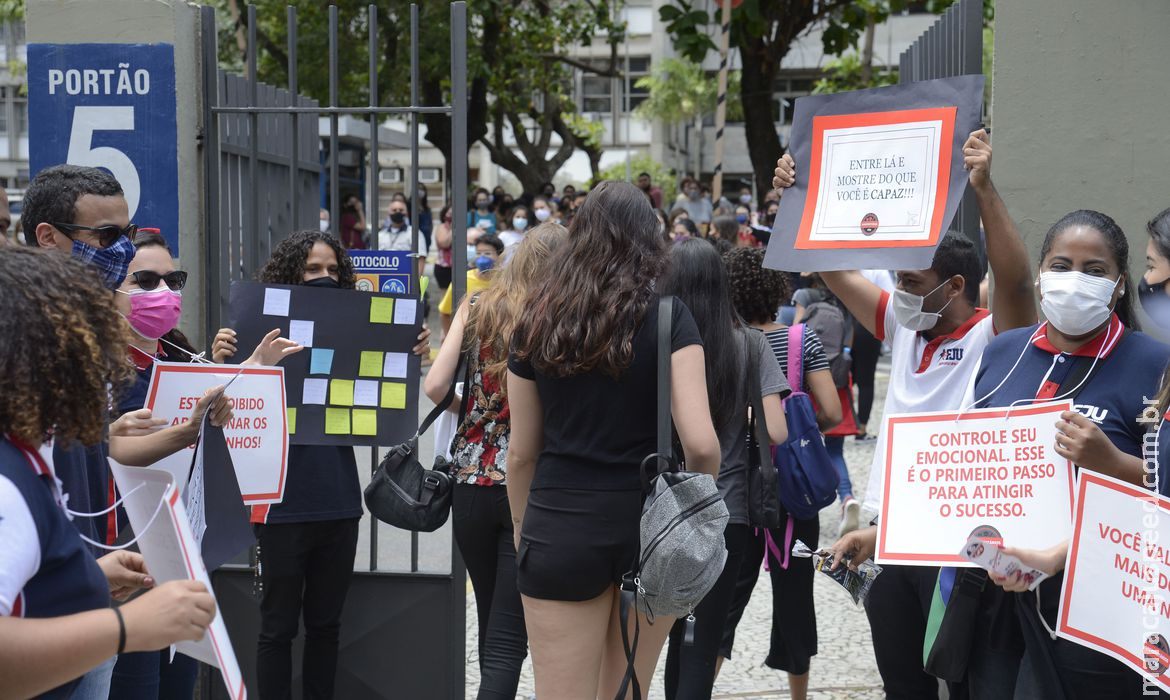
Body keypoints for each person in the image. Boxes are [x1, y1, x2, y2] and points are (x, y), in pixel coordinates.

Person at [775, 128, 1039, 699]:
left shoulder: (995, 336)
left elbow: (1017, 280)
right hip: (893, 540)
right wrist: (795, 197)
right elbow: (826, 265)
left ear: (957, 286)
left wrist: (984, 188)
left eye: (913, 283)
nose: (900, 293)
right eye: (897, 281)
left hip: (960, 543)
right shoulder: (904, 325)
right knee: (903, 683)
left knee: (960, 679)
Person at [506, 181, 721, 699]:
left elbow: (520, 453)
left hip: (559, 521)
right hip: (648, 530)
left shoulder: (536, 321)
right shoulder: (670, 318)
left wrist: (522, 530)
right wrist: (695, 519)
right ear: (651, 241)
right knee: (627, 690)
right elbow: (703, 445)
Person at [953, 210, 1169, 699]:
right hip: (993, 592)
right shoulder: (1002, 353)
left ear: (1118, 285)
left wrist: (1113, 461)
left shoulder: (1155, 367)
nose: (1076, 281)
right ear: (1041, 274)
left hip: (1094, 607)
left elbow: (1166, 492)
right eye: (1062, 264)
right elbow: (958, 458)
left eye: (1094, 271)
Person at [210, 230, 429, 700]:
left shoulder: (353, 330)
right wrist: (225, 364)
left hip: (338, 504)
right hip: (279, 505)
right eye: (312, 269)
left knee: (326, 627)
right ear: (289, 275)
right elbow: (223, 413)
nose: (324, 278)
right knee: (277, 628)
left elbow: (395, 387)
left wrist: (408, 349)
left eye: (332, 270)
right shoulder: (253, 333)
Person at [0, 247, 218, 700]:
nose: (106, 369)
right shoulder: (8, 485)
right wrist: (127, 627)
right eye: (89, 346)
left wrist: (92, 577)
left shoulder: (27, 455)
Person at [107, 229, 300, 700]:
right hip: (126, 557)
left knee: (178, 683)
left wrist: (250, 371)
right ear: (109, 293)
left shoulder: (177, 355)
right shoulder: (98, 369)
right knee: (138, 686)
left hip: (183, 547)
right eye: (146, 280)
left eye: (173, 279)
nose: (164, 293)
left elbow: (214, 405)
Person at [424, 223, 569, 699]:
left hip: (468, 483)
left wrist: (474, 409)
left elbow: (434, 387)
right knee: (510, 640)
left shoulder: (476, 306)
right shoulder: (558, 319)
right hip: (527, 487)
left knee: (491, 623)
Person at [659, 239, 790, 700]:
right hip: (726, 512)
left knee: (652, 636)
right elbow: (777, 431)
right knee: (701, 641)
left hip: (655, 510)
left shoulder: (656, 342)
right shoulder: (751, 344)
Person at [717, 246, 842, 700]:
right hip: (790, 491)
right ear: (777, 289)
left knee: (724, 604)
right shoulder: (799, 341)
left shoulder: (719, 346)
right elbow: (830, 411)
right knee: (795, 599)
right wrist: (797, 432)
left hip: (734, 491)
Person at [793, 274, 862, 535]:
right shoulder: (843, 295)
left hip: (810, 380)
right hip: (838, 378)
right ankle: (847, 498)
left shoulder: (804, 297)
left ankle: (806, 498)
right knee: (835, 448)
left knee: (803, 444)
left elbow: (797, 334)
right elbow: (849, 335)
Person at [439, 233, 503, 336]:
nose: (482, 258)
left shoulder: (505, 280)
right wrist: (448, 336)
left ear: (499, 256)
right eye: (478, 253)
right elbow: (445, 312)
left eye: (487, 253)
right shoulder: (464, 279)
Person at [433, 204, 456, 291]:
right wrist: (453, 229)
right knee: (444, 296)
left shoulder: (462, 228)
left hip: (456, 267)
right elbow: (444, 243)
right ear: (444, 215)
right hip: (443, 267)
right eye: (450, 214)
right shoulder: (441, 227)